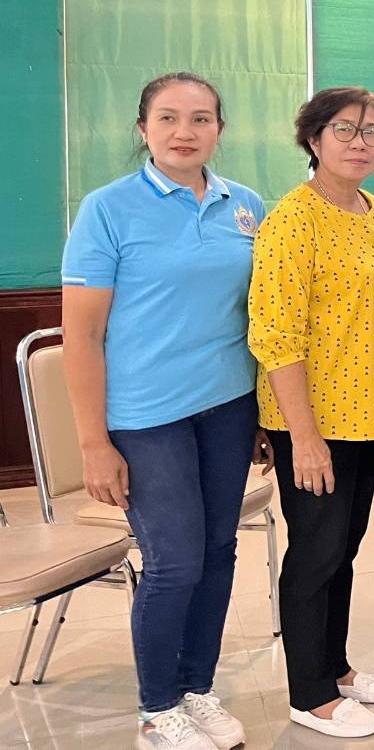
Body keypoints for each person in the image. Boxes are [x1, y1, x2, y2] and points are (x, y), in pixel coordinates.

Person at [61, 73, 265, 750]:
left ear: (219, 129)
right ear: (142, 127)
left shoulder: (247, 206)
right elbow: (83, 337)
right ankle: (156, 708)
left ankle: (197, 688)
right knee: (174, 560)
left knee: (217, 549)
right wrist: (94, 442)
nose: (185, 131)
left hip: (229, 408)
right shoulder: (108, 209)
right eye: (169, 118)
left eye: (201, 119)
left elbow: (257, 317)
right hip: (145, 417)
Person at [249, 87, 374, 739]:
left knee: (344, 547)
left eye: (372, 133)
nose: (359, 142)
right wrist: (304, 439)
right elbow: (275, 334)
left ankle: (334, 667)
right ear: (313, 139)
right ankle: (307, 693)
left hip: (368, 415)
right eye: (344, 129)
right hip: (310, 421)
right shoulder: (293, 219)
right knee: (315, 552)